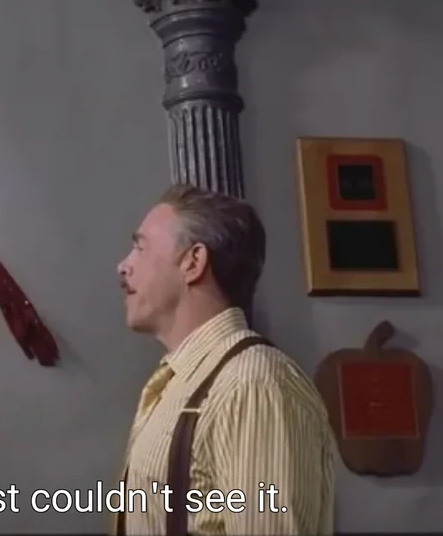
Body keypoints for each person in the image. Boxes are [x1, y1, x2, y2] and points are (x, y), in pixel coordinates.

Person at [113, 184, 335, 535]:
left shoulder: (253, 384)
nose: (123, 266)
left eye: (140, 248)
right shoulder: (179, 385)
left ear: (193, 262)